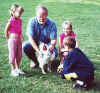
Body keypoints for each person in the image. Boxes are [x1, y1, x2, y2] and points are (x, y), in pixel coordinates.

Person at [4, 4, 24, 77]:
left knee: (19, 55)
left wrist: (21, 35)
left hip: (19, 40)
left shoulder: (20, 20)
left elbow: (19, 29)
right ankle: (13, 70)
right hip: (12, 40)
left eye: (21, 13)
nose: (20, 14)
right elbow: (6, 31)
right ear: (12, 12)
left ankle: (17, 68)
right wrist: (8, 39)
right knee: (12, 55)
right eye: (18, 12)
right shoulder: (10, 21)